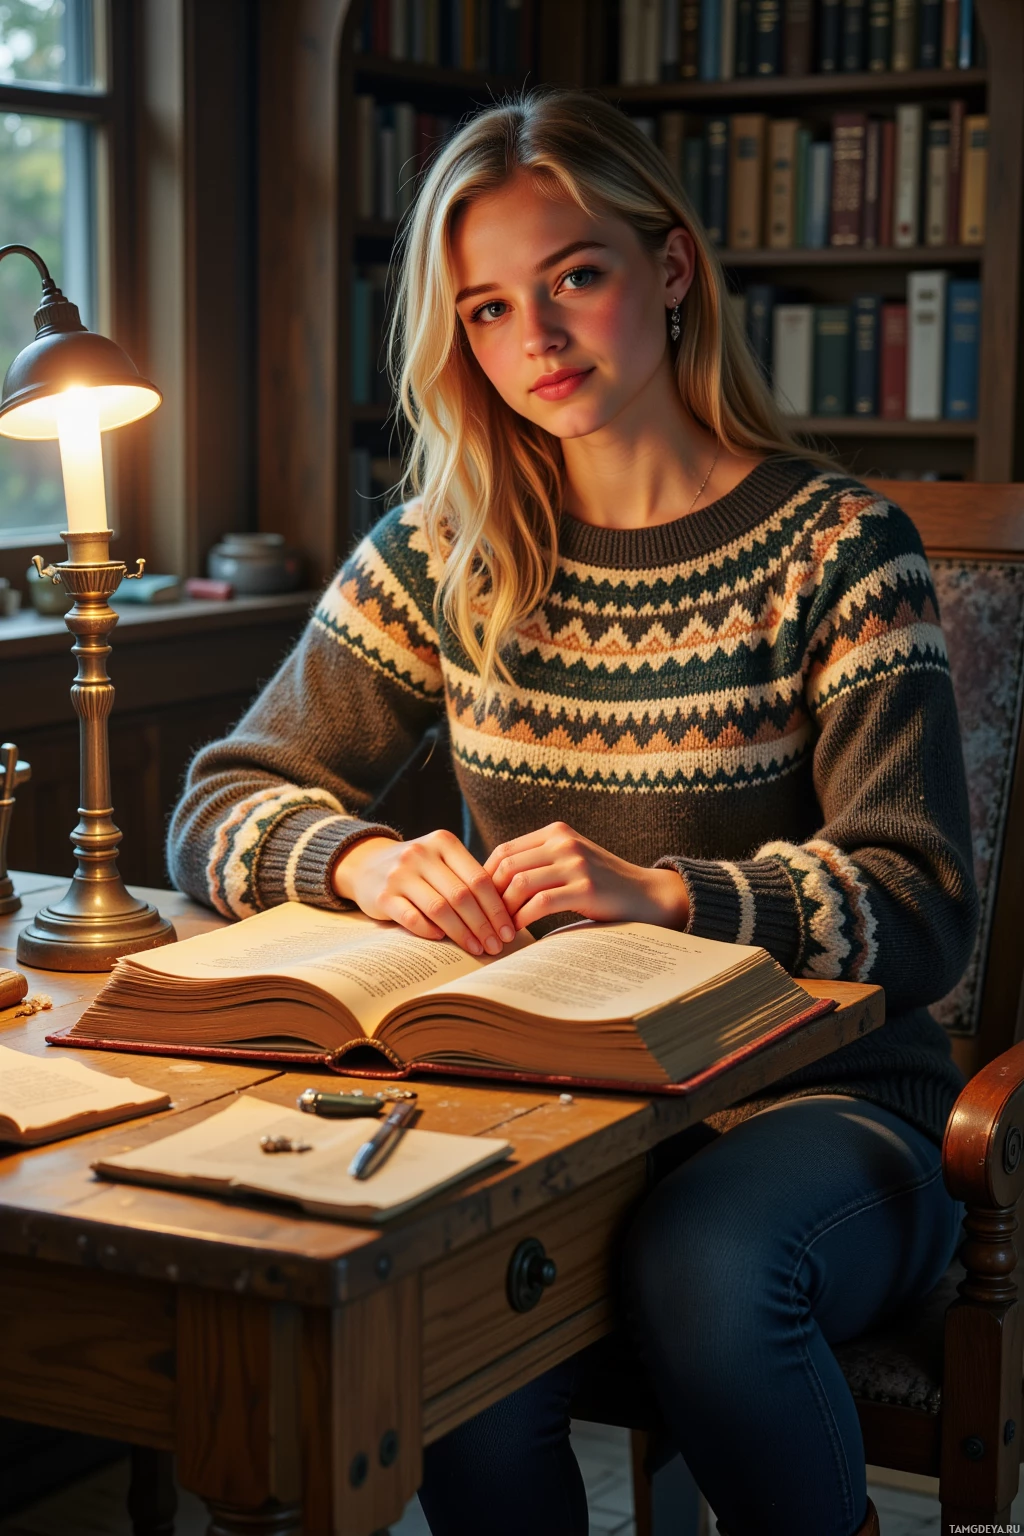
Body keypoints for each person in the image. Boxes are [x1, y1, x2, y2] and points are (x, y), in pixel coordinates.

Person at [168, 89, 977, 1536]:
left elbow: (916, 902)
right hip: (557, 1106)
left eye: (575, 278)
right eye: (485, 308)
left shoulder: (844, 550)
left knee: (707, 1274)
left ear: (670, 271)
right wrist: (356, 859)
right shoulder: (448, 549)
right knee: (459, 1336)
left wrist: (672, 897)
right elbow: (224, 799)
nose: (533, 340)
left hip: (827, 1113)